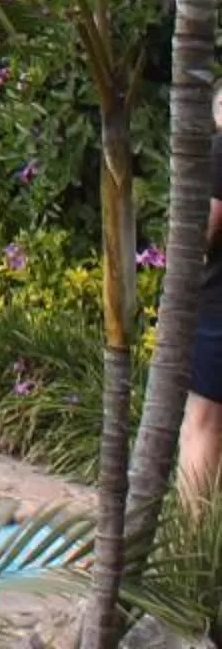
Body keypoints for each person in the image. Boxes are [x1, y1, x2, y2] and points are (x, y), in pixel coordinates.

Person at [185, 101, 222, 504]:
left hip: (217, 307)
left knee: (204, 419)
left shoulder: (221, 151)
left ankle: (195, 535)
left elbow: (209, 222)